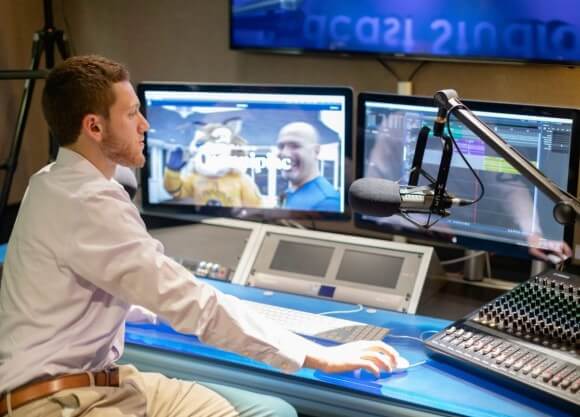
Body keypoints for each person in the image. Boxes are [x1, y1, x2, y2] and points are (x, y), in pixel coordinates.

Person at [0, 56, 401, 417]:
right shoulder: (87, 201)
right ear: (94, 126)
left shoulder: (51, 181)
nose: (146, 125)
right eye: (133, 114)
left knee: (271, 410)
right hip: (56, 404)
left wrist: (171, 303)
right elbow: (187, 302)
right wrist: (314, 354)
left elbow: (127, 290)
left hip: (100, 382)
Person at [276, 122, 340, 211]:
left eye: (295, 146)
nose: (284, 153)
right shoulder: (290, 193)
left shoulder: (328, 203)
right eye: (281, 146)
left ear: (316, 151)